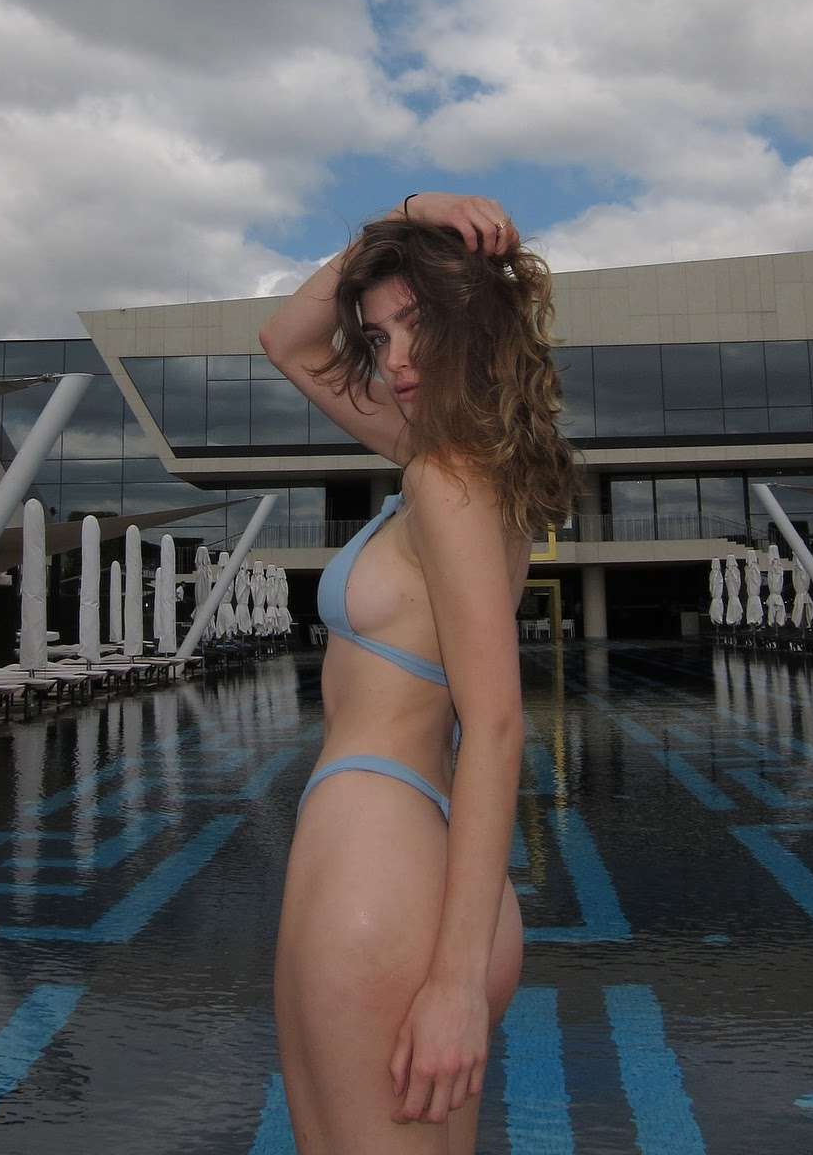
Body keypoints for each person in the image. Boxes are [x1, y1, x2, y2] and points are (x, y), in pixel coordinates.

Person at [262, 191, 577, 1152]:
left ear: (475, 324)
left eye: (418, 325)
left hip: (383, 871)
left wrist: (454, 985)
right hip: (406, 858)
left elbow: (497, 723)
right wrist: (398, 219)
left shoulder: (445, 480)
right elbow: (287, 341)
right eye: (377, 335)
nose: (393, 359)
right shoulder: (453, 462)